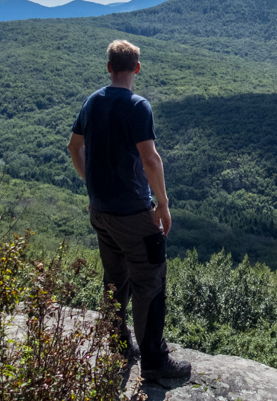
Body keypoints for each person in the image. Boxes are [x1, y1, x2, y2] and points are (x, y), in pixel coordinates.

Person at [68, 40, 191, 382]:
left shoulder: (92, 101)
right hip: (133, 213)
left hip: (101, 211)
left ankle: (118, 344)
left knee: (114, 277)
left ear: (109, 67)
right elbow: (150, 159)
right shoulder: (138, 106)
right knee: (149, 280)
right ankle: (154, 362)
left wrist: (91, 185)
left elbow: (74, 147)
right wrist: (163, 204)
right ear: (136, 68)